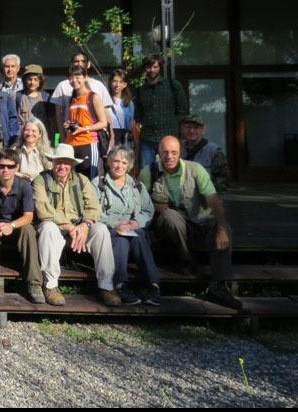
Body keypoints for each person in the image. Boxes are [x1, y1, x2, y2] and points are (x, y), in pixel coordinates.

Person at [138, 135, 241, 309]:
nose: (169, 156)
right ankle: (186, 260)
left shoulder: (196, 169)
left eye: (174, 152)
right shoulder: (148, 172)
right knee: (170, 217)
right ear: (159, 153)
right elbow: (138, 201)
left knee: (223, 229)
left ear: (180, 153)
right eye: (165, 152)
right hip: (169, 227)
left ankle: (220, 285)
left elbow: (213, 198)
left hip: (198, 221)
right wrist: (156, 206)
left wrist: (222, 227)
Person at [32, 143, 121, 307]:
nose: (62, 166)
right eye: (59, 162)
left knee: (101, 230)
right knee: (47, 228)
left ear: (72, 164)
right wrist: (70, 227)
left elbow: (94, 208)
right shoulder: (41, 180)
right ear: (53, 162)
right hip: (56, 226)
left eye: (66, 162)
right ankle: (50, 285)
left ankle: (107, 286)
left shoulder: (82, 180)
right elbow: (43, 209)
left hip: (79, 227)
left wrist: (85, 225)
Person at [0, 148, 45, 303]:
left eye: (10, 166)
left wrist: (11, 226)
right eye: (2, 166)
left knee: (29, 230)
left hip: (16, 227)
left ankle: (34, 283)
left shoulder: (24, 186)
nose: (5, 170)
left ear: (17, 167)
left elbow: (28, 216)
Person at [93, 146, 161, 306]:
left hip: (132, 229)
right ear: (109, 162)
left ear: (129, 165)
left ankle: (153, 285)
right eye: (116, 161)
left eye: (124, 162)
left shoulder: (137, 185)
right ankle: (121, 285)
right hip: (110, 229)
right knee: (120, 240)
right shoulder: (98, 183)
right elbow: (93, 210)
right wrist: (115, 224)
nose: (119, 166)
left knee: (139, 235)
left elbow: (148, 210)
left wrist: (136, 222)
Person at [135, 53, 189, 168]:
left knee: (172, 170)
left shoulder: (173, 86)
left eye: (155, 67)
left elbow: (183, 112)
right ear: (145, 69)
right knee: (146, 172)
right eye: (148, 67)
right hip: (147, 138)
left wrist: (180, 135)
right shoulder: (140, 90)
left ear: (160, 68)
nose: (151, 70)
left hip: (169, 137)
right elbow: (138, 116)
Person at [62, 63, 109, 180]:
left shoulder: (93, 97)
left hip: (88, 143)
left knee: (91, 180)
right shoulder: (72, 99)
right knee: (73, 180)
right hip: (71, 144)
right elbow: (76, 121)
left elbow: (103, 123)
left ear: (84, 78)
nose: (74, 80)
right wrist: (68, 124)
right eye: (71, 77)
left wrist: (84, 129)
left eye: (77, 77)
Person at [51, 51, 111, 131]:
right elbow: (58, 115)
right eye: (76, 61)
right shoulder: (63, 85)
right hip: (70, 134)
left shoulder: (99, 86)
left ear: (88, 64)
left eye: (83, 61)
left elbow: (106, 113)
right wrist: (61, 134)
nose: (79, 63)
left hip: (94, 134)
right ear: (71, 64)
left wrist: (111, 133)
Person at [180, 114, 231, 194]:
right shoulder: (176, 148)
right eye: (188, 127)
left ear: (203, 130)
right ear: (183, 129)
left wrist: (211, 195)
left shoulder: (214, 151)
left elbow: (223, 179)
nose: (191, 131)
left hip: (205, 197)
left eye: (196, 128)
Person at [16, 64, 57, 143]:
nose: (32, 82)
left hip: (42, 139)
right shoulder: (18, 96)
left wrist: (53, 140)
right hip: (23, 138)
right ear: (25, 80)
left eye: (36, 79)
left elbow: (51, 121)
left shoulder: (46, 97)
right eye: (29, 79)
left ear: (40, 81)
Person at [107, 67, 135, 151]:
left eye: (121, 82)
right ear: (110, 82)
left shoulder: (129, 103)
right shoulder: (105, 100)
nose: (117, 85)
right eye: (115, 81)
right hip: (109, 135)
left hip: (124, 137)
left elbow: (131, 124)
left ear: (125, 84)